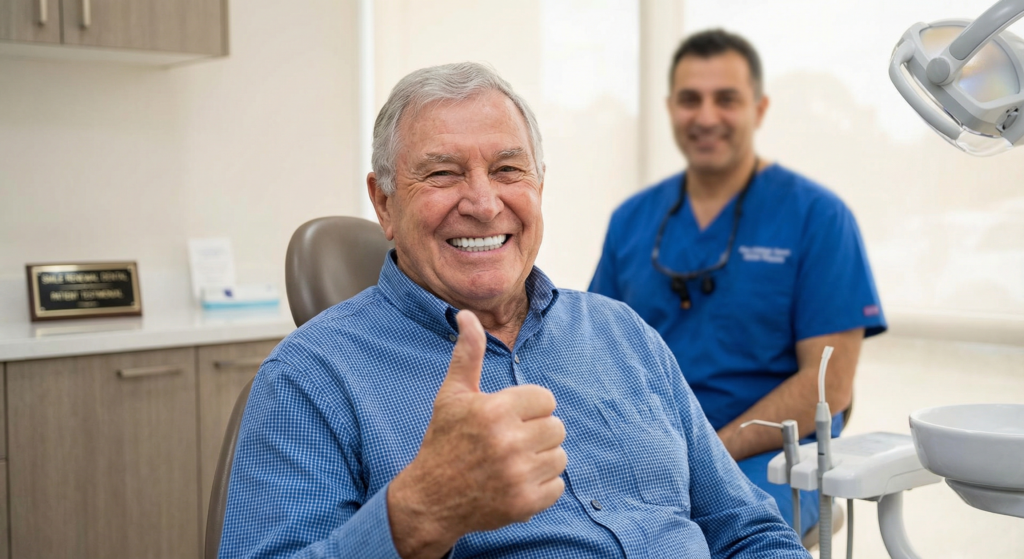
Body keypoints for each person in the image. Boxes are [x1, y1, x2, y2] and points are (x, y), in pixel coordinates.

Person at [219, 62, 809, 559]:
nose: (482, 202)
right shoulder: (308, 378)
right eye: (443, 174)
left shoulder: (622, 334)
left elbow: (748, 532)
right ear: (384, 203)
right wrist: (416, 514)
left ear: (540, 186)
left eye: (507, 170)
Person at [589, 29, 887, 537]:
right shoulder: (631, 220)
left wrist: (707, 455)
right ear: (670, 109)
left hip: (770, 459)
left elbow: (829, 385)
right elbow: (595, 353)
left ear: (759, 107)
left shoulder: (817, 217)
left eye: (725, 99)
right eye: (690, 100)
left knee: (693, 540)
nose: (706, 117)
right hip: (651, 452)